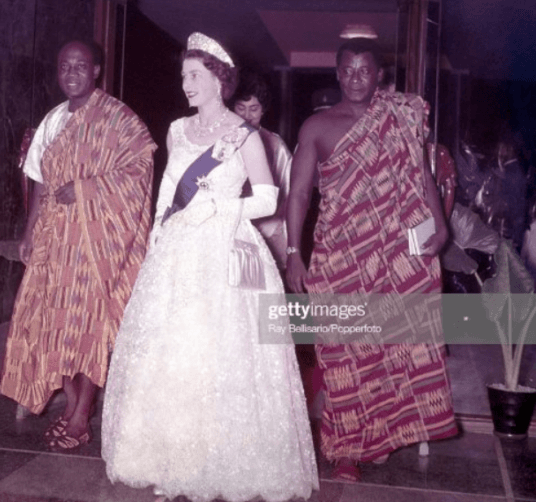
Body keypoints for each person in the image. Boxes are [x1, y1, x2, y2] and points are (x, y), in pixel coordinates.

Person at [102, 33, 318, 502]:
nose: (186, 85)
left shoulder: (246, 135)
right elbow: (167, 187)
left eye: (194, 76)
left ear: (219, 79)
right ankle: (169, 457)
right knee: (176, 350)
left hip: (227, 249)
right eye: (183, 76)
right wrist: (159, 231)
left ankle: (219, 462)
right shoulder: (178, 130)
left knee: (224, 352)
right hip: (179, 250)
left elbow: (266, 197)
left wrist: (220, 210)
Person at [286, 38, 457, 481]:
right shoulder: (317, 126)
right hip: (339, 257)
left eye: (366, 70)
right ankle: (345, 450)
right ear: (337, 74)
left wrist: (440, 226)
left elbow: (421, 174)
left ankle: (375, 437)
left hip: (394, 256)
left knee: (386, 351)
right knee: (343, 354)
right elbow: (300, 193)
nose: (356, 78)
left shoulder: (400, 117)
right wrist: (293, 252)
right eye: (348, 70)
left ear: (379, 74)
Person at [0, 39, 157, 451]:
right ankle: (71, 404)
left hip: (96, 246)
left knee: (89, 327)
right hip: (55, 241)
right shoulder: (52, 121)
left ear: (97, 71)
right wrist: (30, 230)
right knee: (54, 325)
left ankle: (82, 415)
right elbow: (38, 181)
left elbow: (139, 168)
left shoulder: (119, 119)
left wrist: (88, 188)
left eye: (80, 66)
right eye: (64, 66)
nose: (72, 73)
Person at [232, 73, 292, 268]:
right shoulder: (221, 142)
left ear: (263, 110)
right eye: (240, 108)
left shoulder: (275, 145)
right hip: (228, 229)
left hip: (267, 233)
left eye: (253, 109)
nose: (246, 116)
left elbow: (287, 195)